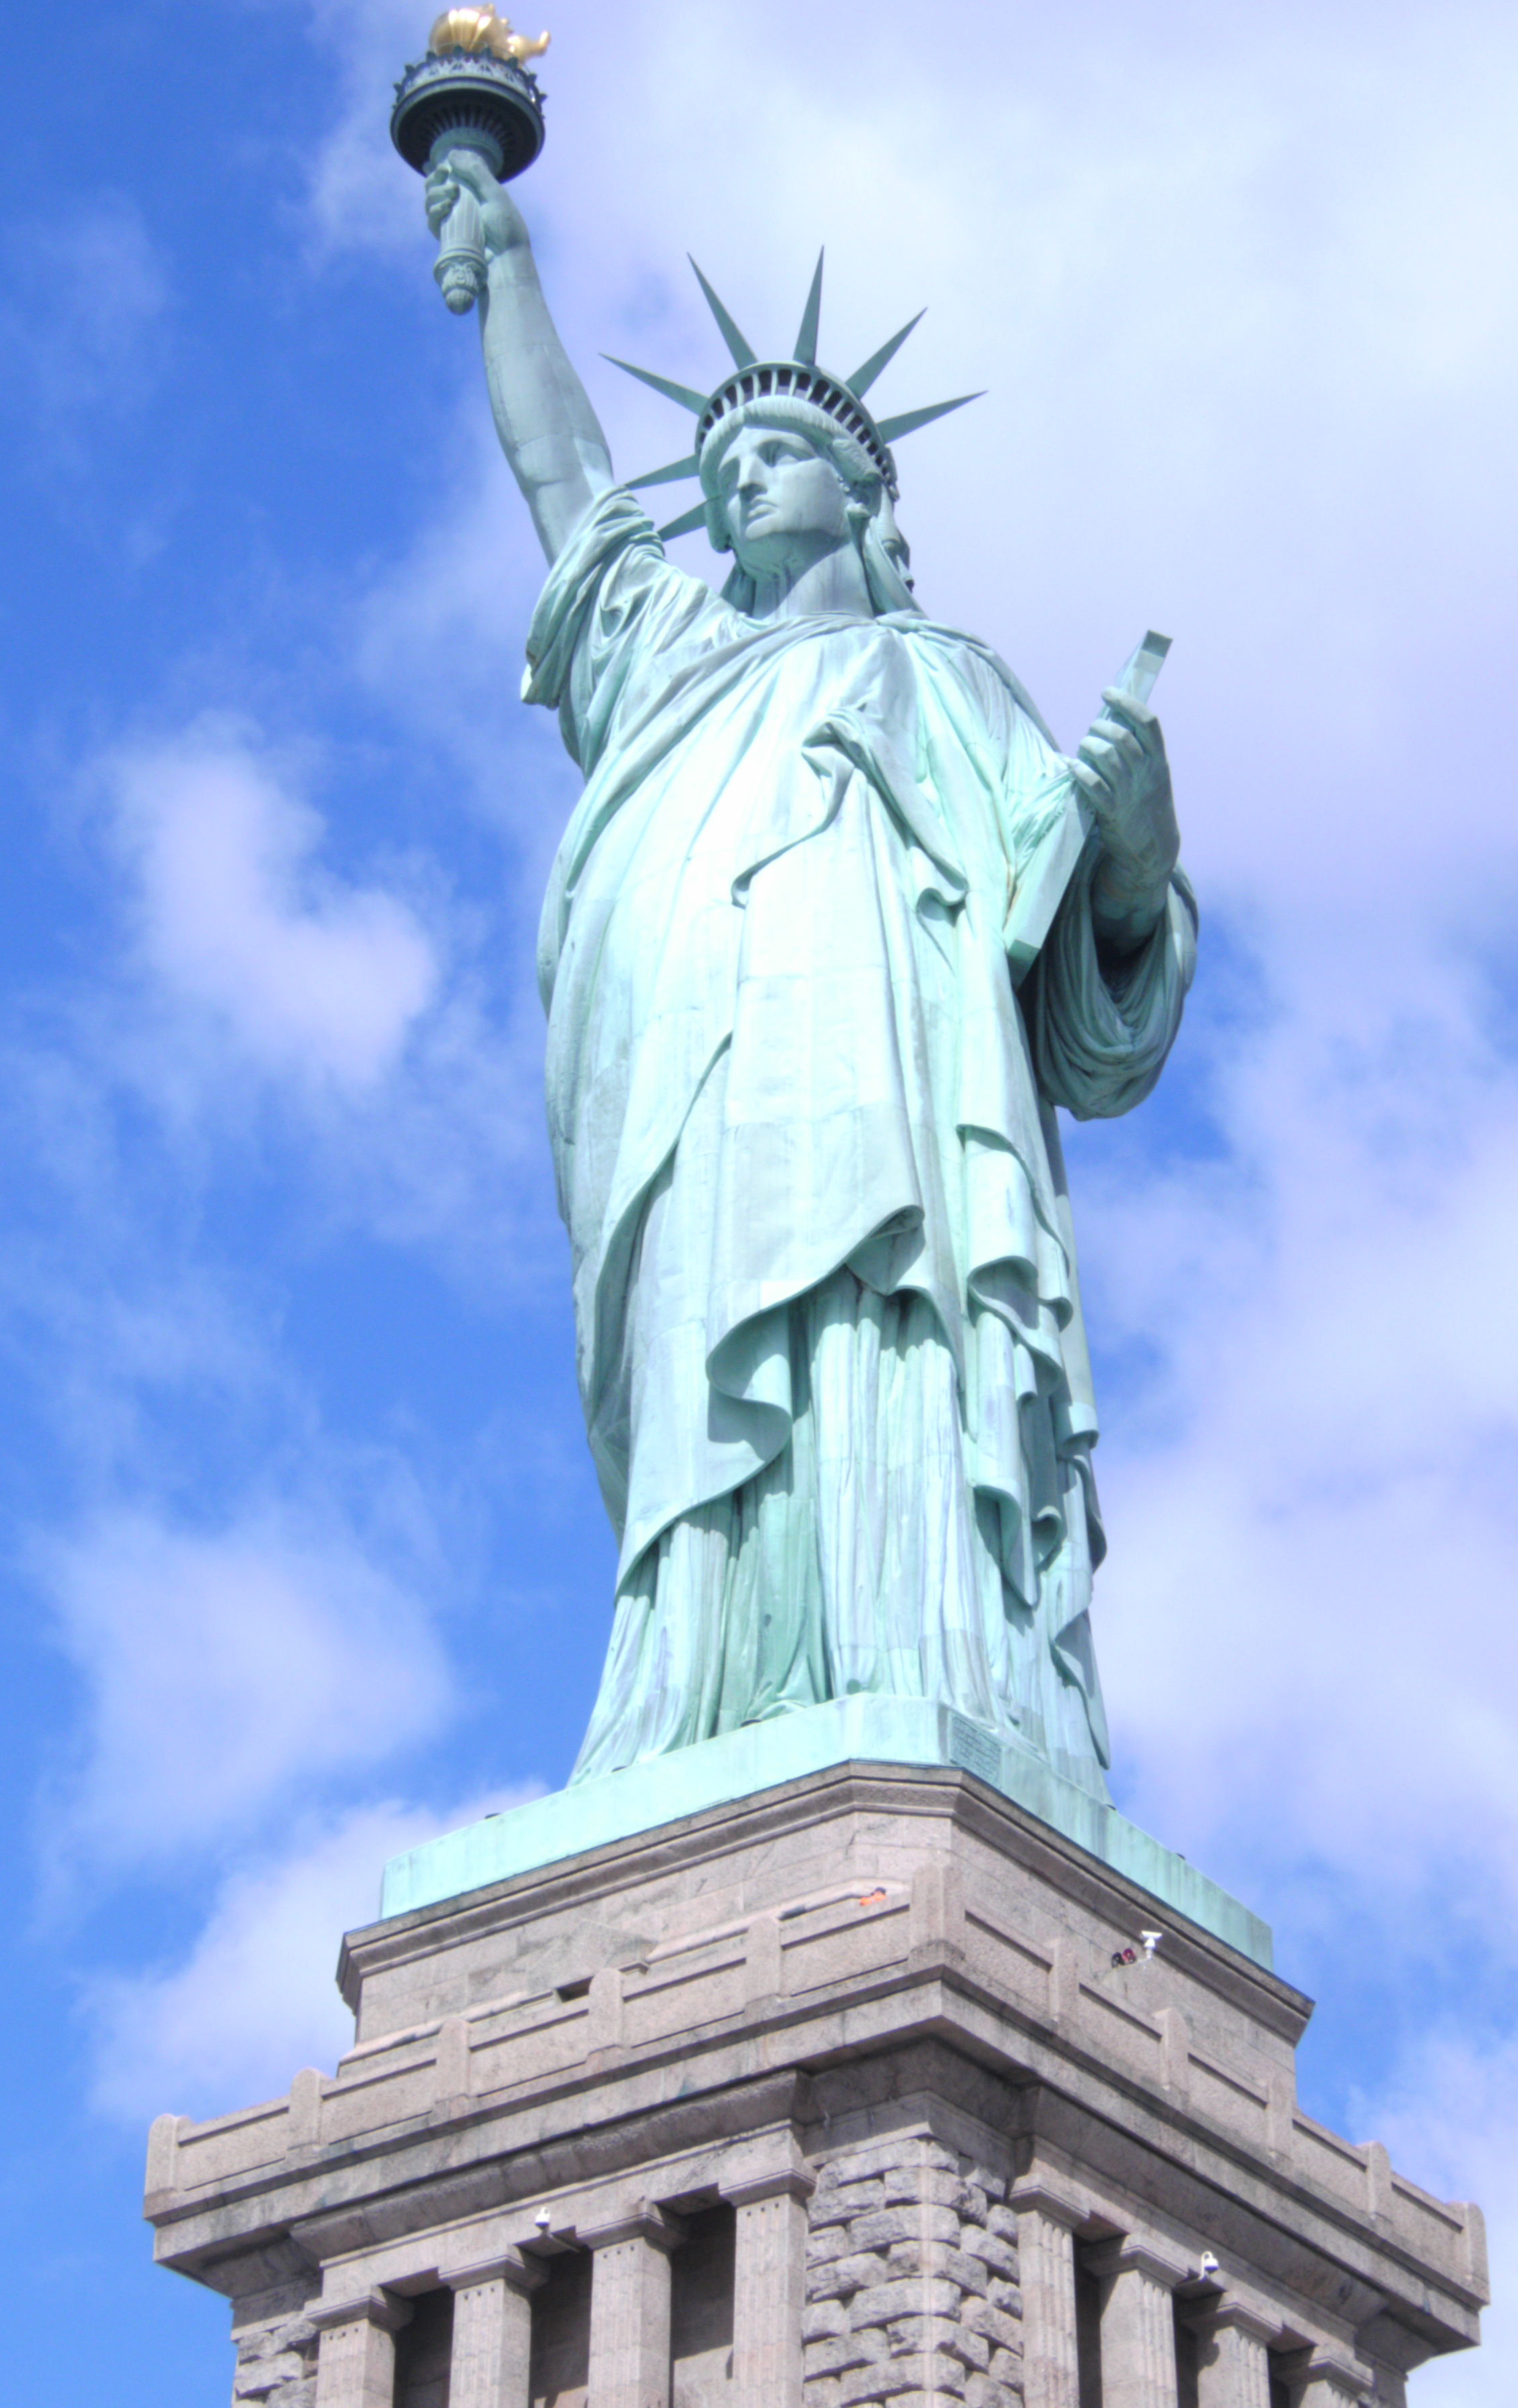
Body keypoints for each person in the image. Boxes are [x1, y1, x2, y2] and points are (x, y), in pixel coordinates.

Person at [426, 152, 1196, 1796]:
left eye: (779, 454)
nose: (741, 484)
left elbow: (1086, 1003)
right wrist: (508, 275)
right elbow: (568, 481)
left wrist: (1130, 848)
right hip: (708, 1106)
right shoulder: (670, 665)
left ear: (862, 492)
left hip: (908, 1117)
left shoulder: (951, 683)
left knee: (892, 1358)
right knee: (724, 1401)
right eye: (723, 465)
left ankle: (926, 1670)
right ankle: (703, 1708)